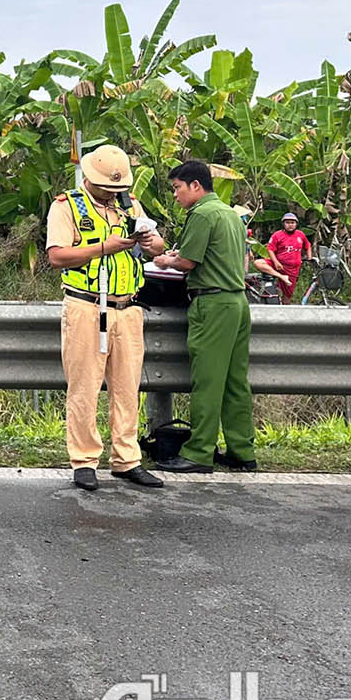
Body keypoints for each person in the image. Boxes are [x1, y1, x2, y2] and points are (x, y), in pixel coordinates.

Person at [45, 144, 166, 491]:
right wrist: (104, 248)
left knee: (127, 387)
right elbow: (56, 256)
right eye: (108, 188)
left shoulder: (132, 205)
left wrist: (150, 240)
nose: (116, 193)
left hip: (128, 308)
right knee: (83, 386)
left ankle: (127, 459)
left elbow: (157, 249)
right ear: (89, 179)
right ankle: (84, 460)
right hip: (85, 307)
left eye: (119, 187)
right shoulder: (66, 206)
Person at [153, 161, 258, 473]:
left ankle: (198, 452)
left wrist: (165, 260)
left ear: (195, 186)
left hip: (212, 304)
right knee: (235, 382)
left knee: (208, 381)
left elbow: (188, 262)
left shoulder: (200, 213)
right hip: (237, 302)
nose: (175, 195)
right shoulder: (230, 214)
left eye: (177, 188)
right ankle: (242, 450)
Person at [265, 212, 313, 303]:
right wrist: (275, 262)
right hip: (279, 266)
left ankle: (285, 310)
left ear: (296, 224)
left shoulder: (300, 235)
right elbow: (270, 249)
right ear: (283, 224)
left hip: (293, 269)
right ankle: (280, 277)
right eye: (288, 223)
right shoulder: (277, 235)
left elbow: (308, 246)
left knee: (288, 294)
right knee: (258, 263)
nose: (290, 225)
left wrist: (309, 257)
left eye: (292, 223)